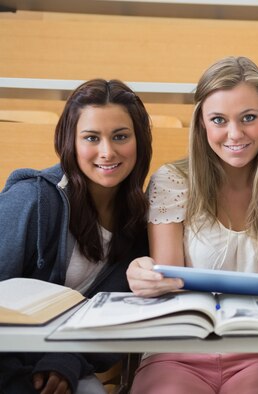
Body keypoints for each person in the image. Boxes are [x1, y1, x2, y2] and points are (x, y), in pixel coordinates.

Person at [125, 56, 258, 394]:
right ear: (202, 125)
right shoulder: (172, 181)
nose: (234, 134)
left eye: (249, 118)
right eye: (219, 120)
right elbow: (169, 284)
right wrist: (146, 275)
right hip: (177, 348)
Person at [0, 79, 152, 394]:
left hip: (65, 365)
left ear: (140, 141)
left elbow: (113, 314)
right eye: (91, 138)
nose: (107, 152)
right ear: (71, 141)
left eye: (120, 136)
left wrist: (65, 361)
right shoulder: (31, 200)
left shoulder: (140, 223)